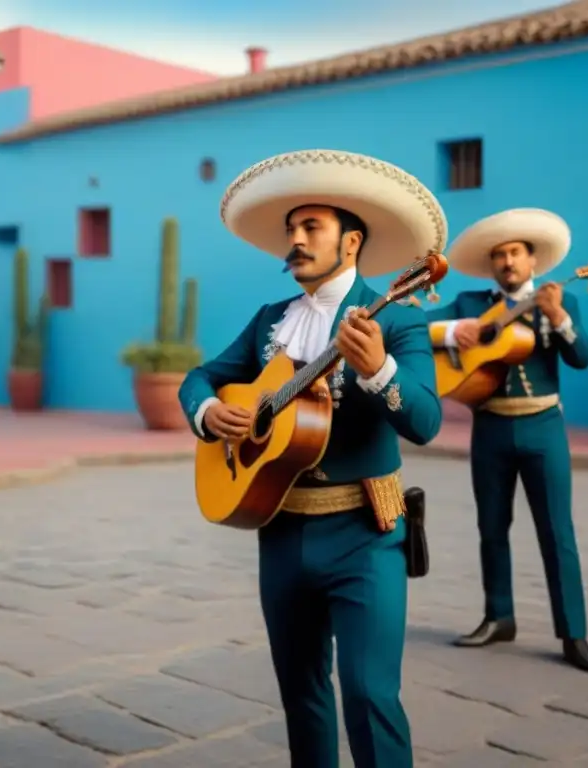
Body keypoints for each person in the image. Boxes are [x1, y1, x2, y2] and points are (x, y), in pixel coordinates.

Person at [178, 149, 446, 768]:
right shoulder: (270, 322)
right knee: (302, 696)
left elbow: (426, 422)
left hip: (365, 532)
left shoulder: (398, 321)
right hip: (280, 529)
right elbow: (200, 376)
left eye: (311, 229)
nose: (294, 242)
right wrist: (209, 413)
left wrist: (378, 369)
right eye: (291, 231)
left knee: (370, 694)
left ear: (350, 243)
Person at [425, 208, 588, 674]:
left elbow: (582, 356)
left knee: (557, 531)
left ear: (532, 260)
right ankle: (498, 615)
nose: (507, 262)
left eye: (515, 253)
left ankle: (573, 632)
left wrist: (559, 316)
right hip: (490, 427)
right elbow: (417, 327)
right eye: (499, 255)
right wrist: (453, 331)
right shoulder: (469, 303)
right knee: (490, 526)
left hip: (543, 425)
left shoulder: (556, 300)